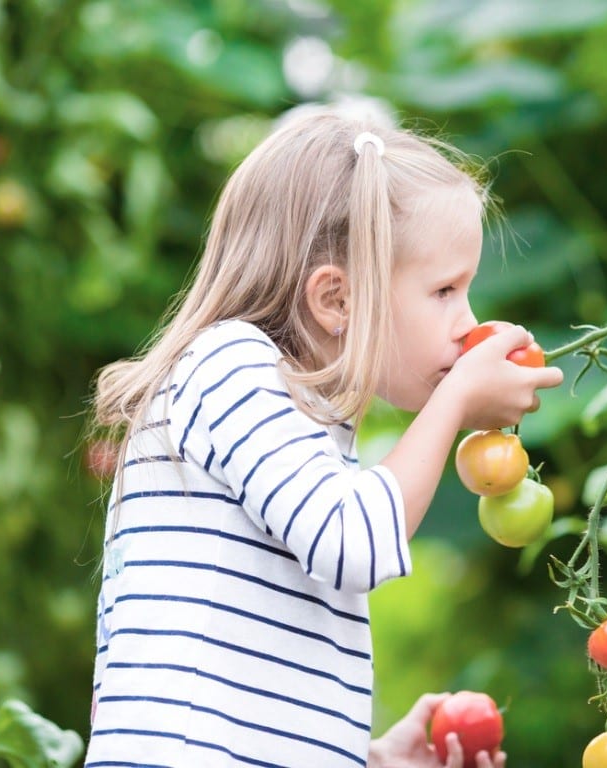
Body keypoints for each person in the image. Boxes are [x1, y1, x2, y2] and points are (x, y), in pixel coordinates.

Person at [84, 108, 563, 767]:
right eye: (445, 290)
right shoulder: (231, 368)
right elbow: (351, 543)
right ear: (335, 300)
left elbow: (258, 693)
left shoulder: (303, 422)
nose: (468, 321)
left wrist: (369, 760)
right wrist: (453, 402)